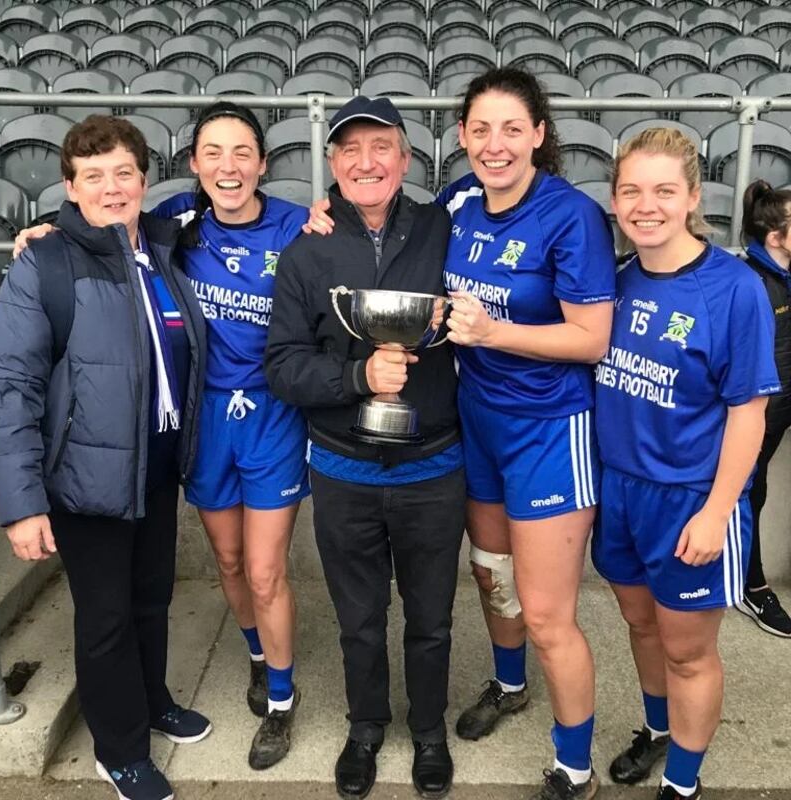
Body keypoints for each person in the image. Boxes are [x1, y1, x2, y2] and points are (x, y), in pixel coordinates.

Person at [12, 102, 311, 770]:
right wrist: (45, 231)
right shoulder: (152, 229)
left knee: (227, 580)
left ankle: (257, 702)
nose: (228, 167)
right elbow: (13, 385)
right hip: (147, 448)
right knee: (188, 582)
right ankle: (156, 729)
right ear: (193, 164)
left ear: (264, 163)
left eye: (242, 153)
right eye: (213, 152)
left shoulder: (266, 228)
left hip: (225, 434)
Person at [0, 115, 210, 800]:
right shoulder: (47, 262)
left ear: (145, 180)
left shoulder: (166, 247)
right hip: (85, 475)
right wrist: (21, 501)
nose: (111, 188)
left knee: (151, 597)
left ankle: (151, 701)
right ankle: (120, 750)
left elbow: (236, 196)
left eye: (124, 173)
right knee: (106, 613)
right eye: (94, 176)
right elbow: (11, 385)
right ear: (69, 186)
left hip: (157, 460)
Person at [264, 96, 466, 800]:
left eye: (381, 147)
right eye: (349, 150)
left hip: (434, 467)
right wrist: (358, 375)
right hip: (343, 469)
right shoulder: (306, 247)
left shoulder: (445, 226)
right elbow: (282, 365)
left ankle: (430, 731)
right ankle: (367, 727)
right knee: (358, 618)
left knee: (432, 618)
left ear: (407, 158)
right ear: (332, 165)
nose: (366, 162)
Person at [439, 68, 615, 800]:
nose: (496, 144)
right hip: (477, 421)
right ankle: (510, 686)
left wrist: (494, 331)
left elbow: (592, 339)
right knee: (491, 574)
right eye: (481, 129)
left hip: (548, 430)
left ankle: (575, 766)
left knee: (547, 614)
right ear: (460, 138)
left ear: (540, 134)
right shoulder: (459, 207)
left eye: (512, 128)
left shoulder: (570, 216)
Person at [593, 128, 779, 800]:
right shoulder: (613, 282)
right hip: (620, 492)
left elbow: (749, 413)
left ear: (693, 197)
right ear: (614, 200)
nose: (648, 205)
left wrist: (717, 511)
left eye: (664, 190)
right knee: (642, 625)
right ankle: (659, 728)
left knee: (688, 650)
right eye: (632, 190)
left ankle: (683, 782)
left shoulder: (732, 289)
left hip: (692, 498)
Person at [737, 180, 791, 637]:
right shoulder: (750, 284)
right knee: (747, 493)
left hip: (780, 413)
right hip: (756, 417)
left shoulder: (784, 275)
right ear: (775, 236)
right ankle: (751, 587)